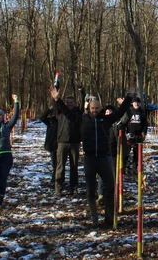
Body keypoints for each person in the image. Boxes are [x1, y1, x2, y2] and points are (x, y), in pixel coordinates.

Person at [76, 92, 132, 227]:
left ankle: (109, 217)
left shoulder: (105, 120)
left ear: (100, 108)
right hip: (89, 158)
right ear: (89, 109)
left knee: (110, 188)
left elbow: (120, 112)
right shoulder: (83, 119)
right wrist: (57, 99)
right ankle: (94, 218)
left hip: (104, 158)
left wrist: (129, 97)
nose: (94, 111)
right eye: (92, 109)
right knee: (90, 191)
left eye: (97, 108)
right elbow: (67, 113)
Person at [40, 90, 82, 193]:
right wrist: (55, 98)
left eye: (71, 102)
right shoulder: (61, 111)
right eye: (67, 103)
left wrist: (81, 91)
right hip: (62, 142)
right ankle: (58, 187)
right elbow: (52, 109)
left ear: (74, 103)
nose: (69, 104)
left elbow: (83, 103)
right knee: (60, 166)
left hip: (74, 142)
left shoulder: (77, 113)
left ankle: (73, 186)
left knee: (74, 166)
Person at [123, 96, 149, 173]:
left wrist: (144, 133)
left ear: (140, 104)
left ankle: (135, 168)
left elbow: (145, 124)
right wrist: (125, 132)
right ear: (132, 103)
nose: (136, 104)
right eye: (135, 102)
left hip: (139, 135)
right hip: (129, 134)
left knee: (137, 153)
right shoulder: (129, 112)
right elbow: (124, 122)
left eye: (138, 102)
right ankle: (125, 167)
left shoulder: (142, 112)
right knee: (126, 152)